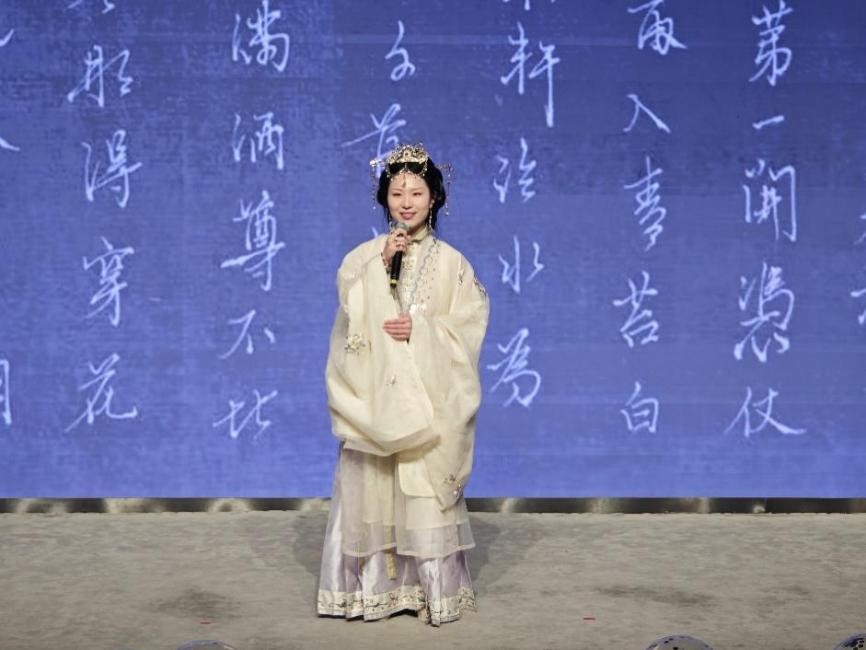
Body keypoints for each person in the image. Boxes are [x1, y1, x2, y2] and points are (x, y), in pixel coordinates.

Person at [316, 143, 489, 626]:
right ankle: (373, 590)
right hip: (377, 399)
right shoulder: (363, 257)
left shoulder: (453, 263)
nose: (406, 203)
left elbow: (469, 325)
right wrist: (378, 268)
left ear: (434, 197)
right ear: (384, 199)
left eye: (416, 192)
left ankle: (431, 591)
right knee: (372, 487)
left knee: (420, 487)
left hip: (426, 400)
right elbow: (349, 320)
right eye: (397, 193)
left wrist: (423, 330)